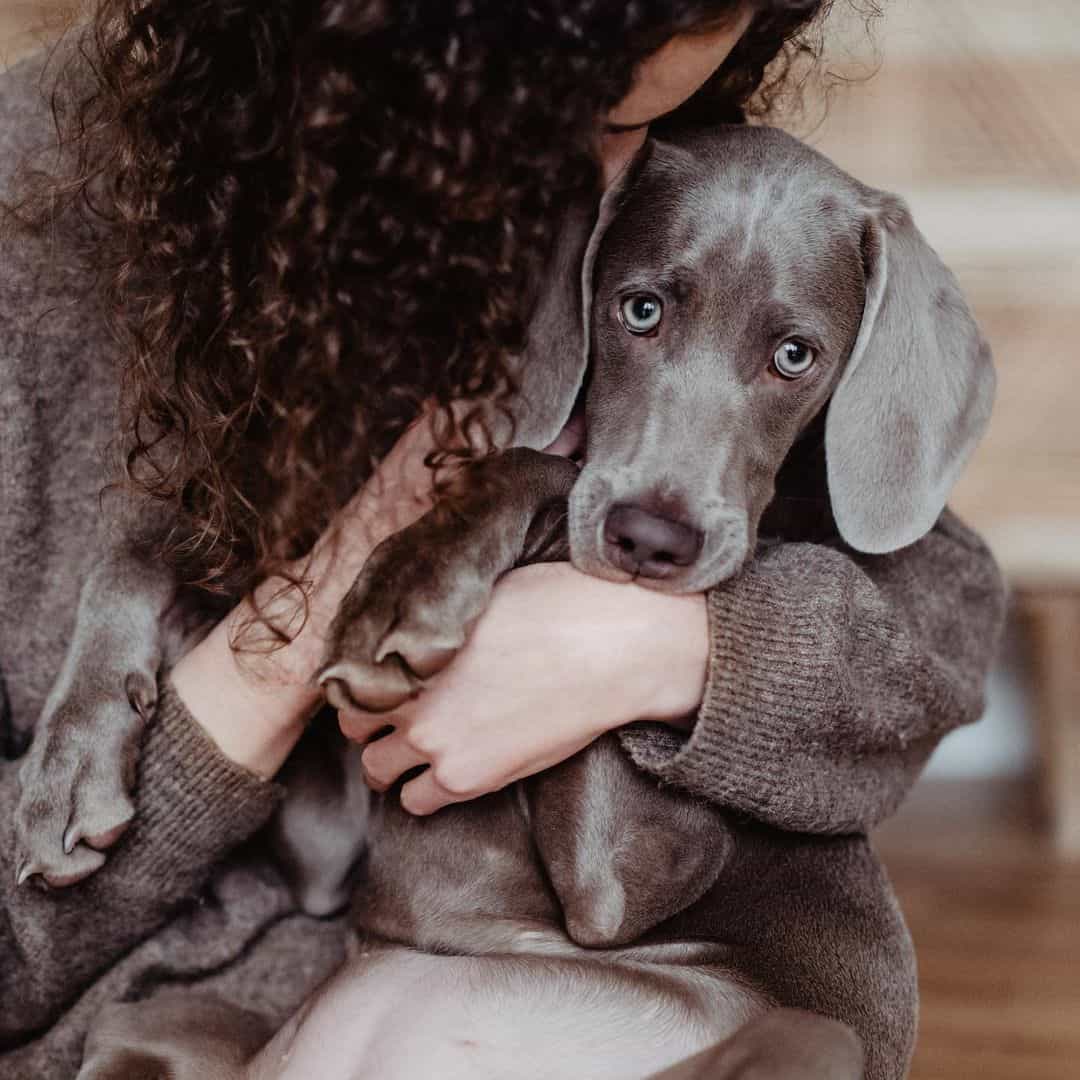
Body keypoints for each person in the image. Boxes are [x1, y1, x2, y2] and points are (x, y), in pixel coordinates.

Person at [0, 0, 1004, 1075]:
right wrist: (293, 634)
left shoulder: (676, 212)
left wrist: (666, 647)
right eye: (540, 123)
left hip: (644, 1003)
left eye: (630, 126)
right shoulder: (41, 216)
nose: (588, 194)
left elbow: (945, 606)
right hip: (205, 1017)